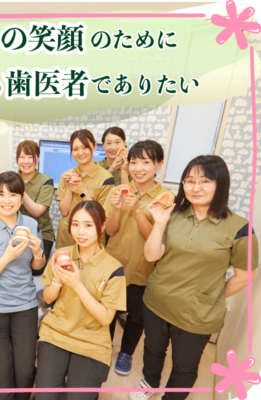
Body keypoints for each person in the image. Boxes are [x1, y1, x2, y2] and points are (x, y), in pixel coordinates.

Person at [129, 155, 259, 400]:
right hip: (157, 301)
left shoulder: (240, 229)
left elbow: (244, 277)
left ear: (221, 184)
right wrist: (159, 224)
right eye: (189, 181)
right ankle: (149, 382)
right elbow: (151, 255)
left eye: (205, 181)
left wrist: (211, 296)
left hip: (198, 315)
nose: (195, 187)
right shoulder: (172, 214)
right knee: (153, 349)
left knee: (184, 366)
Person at [36, 201, 126, 400]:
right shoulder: (61, 255)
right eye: (75, 224)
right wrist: (58, 281)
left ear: (102, 226)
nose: (80, 232)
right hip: (56, 333)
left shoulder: (114, 268)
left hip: (92, 343)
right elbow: (47, 299)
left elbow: (106, 319)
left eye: (88, 225)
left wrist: (77, 285)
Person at [0, 171, 45, 400]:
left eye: (13, 194)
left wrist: (38, 251)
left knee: (25, 372)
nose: (7, 200)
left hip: (25, 304)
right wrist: (7, 257)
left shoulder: (31, 224)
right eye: (1, 194)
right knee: (2, 373)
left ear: (22, 197)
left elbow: (37, 266)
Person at [104, 140, 172, 375]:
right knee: (108, 311)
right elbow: (109, 230)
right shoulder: (118, 190)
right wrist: (117, 208)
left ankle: (126, 353)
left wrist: (135, 210)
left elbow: (155, 238)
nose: (138, 168)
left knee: (136, 317)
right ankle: (104, 348)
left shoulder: (165, 198)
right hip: (113, 263)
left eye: (145, 162)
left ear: (158, 164)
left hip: (142, 268)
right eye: (133, 162)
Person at [56, 129, 114, 249]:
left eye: (85, 147)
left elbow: (100, 216)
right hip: (67, 236)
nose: (80, 153)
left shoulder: (106, 178)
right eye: (75, 149)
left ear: (94, 147)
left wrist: (82, 192)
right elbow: (64, 212)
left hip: (92, 239)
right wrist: (70, 187)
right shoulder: (65, 175)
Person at [17, 140, 55, 272]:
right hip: (15, 231)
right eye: (22, 157)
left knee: (36, 269)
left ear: (38, 158)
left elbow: (37, 211)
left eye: (30, 157)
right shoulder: (11, 178)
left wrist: (18, 189)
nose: (26, 161)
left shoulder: (46, 181)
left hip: (41, 233)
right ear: (17, 159)